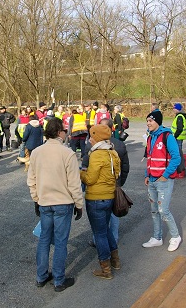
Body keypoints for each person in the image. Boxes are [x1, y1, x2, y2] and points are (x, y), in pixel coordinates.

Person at [27, 117, 83, 292]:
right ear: (59, 132)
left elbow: (32, 180)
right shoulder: (67, 153)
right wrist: (79, 204)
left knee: (44, 240)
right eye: (65, 130)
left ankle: (41, 276)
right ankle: (59, 280)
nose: (66, 133)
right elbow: (74, 183)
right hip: (63, 203)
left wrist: (36, 199)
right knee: (60, 242)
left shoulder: (36, 152)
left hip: (45, 202)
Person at [80, 124, 121, 279]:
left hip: (96, 198)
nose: (89, 138)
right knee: (106, 230)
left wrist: (80, 173)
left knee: (99, 233)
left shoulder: (96, 155)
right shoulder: (113, 152)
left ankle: (105, 268)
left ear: (96, 137)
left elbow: (90, 179)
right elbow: (116, 174)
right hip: (109, 196)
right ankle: (115, 261)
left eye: (91, 135)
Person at [82, 118, 130, 246]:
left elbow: (86, 166)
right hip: (114, 184)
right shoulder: (119, 145)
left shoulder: (92, 145)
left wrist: (83, 178)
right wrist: (120, 183)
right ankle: (113, 239)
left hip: (97, 190)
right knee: (113, 214)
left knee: (98, 221)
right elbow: (125, 166)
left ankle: (98, 241)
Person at [143, 110, 182, 252]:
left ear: (157, 121)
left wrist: (165, 175)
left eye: (151, 121)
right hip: (152, 179)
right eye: (147, 121)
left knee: (163, 210)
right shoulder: (150, 137)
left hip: (163, 180)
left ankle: (175, 236)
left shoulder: (167, 136)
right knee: (154, 210)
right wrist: (147, 174)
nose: (148, 123)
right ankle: (157, 238)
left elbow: (176, 158)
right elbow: (150, 157)